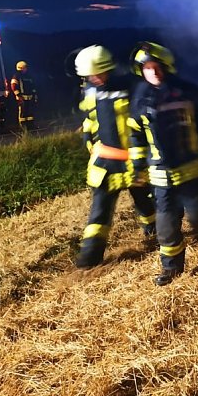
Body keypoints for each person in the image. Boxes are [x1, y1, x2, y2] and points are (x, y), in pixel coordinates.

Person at [127, 42, 198, 286]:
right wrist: (137, 166)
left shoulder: (188, 91)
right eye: (146, 68)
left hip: (192, 170)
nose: (152, 72)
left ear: (167, 67)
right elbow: (136, 135)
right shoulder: (141, 99)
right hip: (161, 175)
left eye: (156, 67)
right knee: (166, 224)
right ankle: (171, 269)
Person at [74, 45, 157, 268]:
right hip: (106, 164)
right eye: (89, 76)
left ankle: (154, 234)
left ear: (107, 68)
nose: (94, 79)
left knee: (145, 203)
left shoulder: (132, 86)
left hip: (134, 161)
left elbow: (146, 120)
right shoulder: (90, 91)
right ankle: (89, 259)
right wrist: (88, 140)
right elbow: (90, 119)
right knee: (99, 212)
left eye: (96, 74)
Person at [10, 60, 37, 128]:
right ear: (20, 68)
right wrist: (18, 95)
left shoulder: (28, 76)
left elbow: (32, 86)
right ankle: (23, 127)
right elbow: (13, 86)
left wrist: (34, 94)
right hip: (21, 98)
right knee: (22, 112)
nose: (26, 69)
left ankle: (31, 125)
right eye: (25, 67)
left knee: (30, 112)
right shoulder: (16, 76)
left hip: (29, 97)